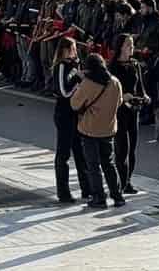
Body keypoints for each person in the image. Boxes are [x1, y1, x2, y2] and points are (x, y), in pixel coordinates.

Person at [70, 52, 126, 208]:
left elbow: (74, 104)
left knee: (93, 165)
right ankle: (117, 195)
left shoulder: (88, 83)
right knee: (109, 163)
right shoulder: (115, 82)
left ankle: (99, 197)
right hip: (108, 129)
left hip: (90, 130)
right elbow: (120, 101)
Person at [51, 37, 90, 203]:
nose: (75, 51)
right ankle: (63, 191)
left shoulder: (75, 64)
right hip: (64, 113)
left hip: (77, 114)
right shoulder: (61, 66)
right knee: (64, 153)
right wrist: (77, 80)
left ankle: (87, 188)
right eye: (72, 48)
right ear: (65, 50)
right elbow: (63, 91)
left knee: (81, 153)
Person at [109, 33, 147, 193]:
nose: (131, 48)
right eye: (127, 45)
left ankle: (128, 180)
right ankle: (122, 182)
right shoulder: (112, 67)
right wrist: (123, 97)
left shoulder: (135, 64)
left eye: (132, 44)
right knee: (121, 148)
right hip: (119, 110)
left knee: (132, 148)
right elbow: (109, 92)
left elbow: (140, 86)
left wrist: (143, 96)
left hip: (133, 110)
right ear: (120, 47)